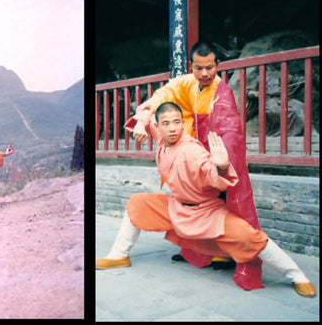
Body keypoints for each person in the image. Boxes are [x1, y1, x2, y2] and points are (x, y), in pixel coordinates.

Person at [97, 102, 316, 298]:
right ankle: (119, 255)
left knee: (251, 237)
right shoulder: (161, 138)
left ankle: (298, 276)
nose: (172, 128)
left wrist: (220, 166)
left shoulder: (191, 150)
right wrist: (140, 123)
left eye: (176, 122)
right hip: (178, 207)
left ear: (182, 123)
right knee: (138, 202)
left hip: (207, 212)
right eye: (166, 123)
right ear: (159, 126)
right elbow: (145, 109)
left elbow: (210, 173)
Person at [124, 41, 262, 290]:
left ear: (218, 65)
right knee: (191, 204)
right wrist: (144, 119)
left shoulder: (223, 92)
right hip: (190, 152)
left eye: (210, 67)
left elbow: (230, 128)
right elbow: (160, 99)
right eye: (199, 68)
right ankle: (196, 250)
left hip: (214, 153)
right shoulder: (183, 83)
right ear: (192, 66)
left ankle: (228, 254)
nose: (205, 73)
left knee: (223, 203)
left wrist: (221, 161)